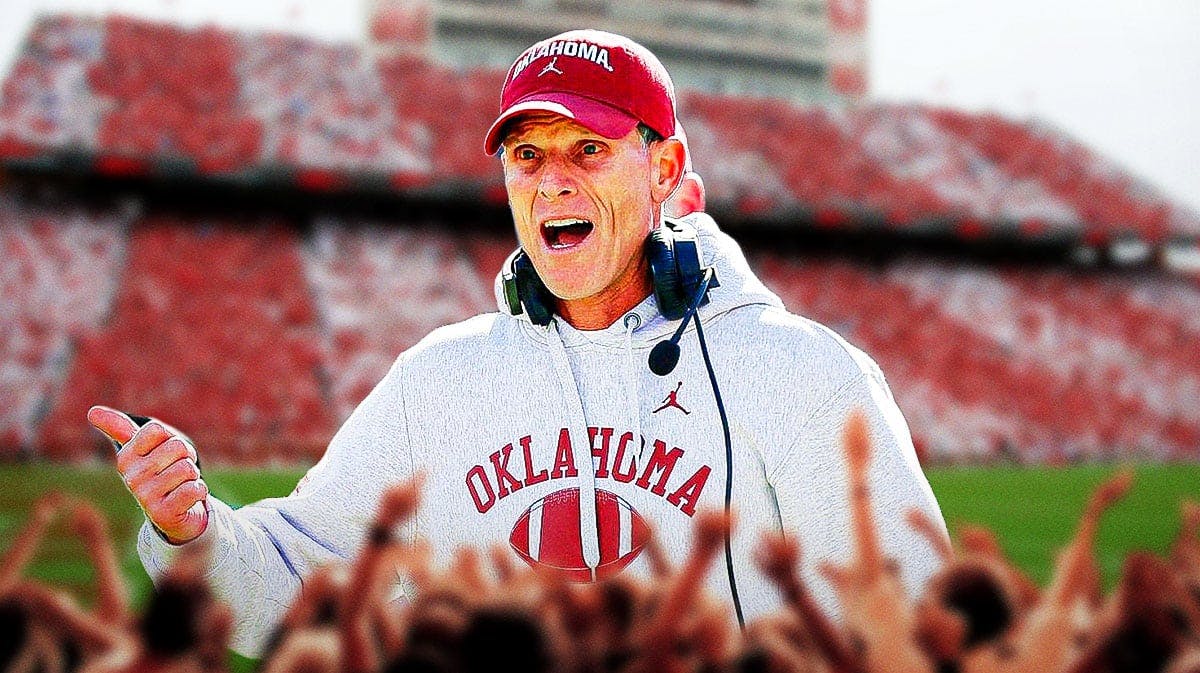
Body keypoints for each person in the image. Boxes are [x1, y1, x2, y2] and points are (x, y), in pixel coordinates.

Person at [88, 28, 947, 656]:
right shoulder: (439, 380)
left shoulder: (804, 376)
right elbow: (293, 586)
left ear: (662, 167)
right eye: (528, 155)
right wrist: (192, 531)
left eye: (588, 148)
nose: (553, 179)